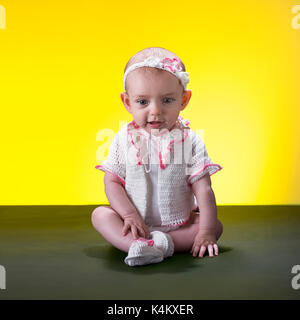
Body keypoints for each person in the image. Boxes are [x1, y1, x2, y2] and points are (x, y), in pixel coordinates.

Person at [91, 47, 223, 267]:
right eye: (143, 102)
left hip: (180, 224)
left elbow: (204, 190)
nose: (155, 111)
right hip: (132, 224)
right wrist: (129, 214)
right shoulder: (123, 139)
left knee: (214, 226)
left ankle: (159, 244)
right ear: (127, 102)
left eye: (167, 101)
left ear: (183, 100)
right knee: (100, 215)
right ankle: (135, 243)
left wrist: (206, 232)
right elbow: (112, 181)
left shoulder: (190, 141)